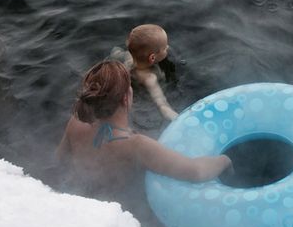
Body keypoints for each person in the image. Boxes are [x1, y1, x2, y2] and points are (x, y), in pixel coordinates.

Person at [55, 61, 230, 201]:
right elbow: (195, 172)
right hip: (118, 211)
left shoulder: (75, 123)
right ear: (126, 98)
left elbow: (60, 160)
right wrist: (225, 160)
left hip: (81, 198)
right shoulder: (137, 146)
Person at [108, 23, 177, 121]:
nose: (168, 47)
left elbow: (114, 52)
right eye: (165, 47)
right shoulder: (149, 78)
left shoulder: (127, 56)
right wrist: (171, 113)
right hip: (140, 99)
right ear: (152, 57)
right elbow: (160, 102)